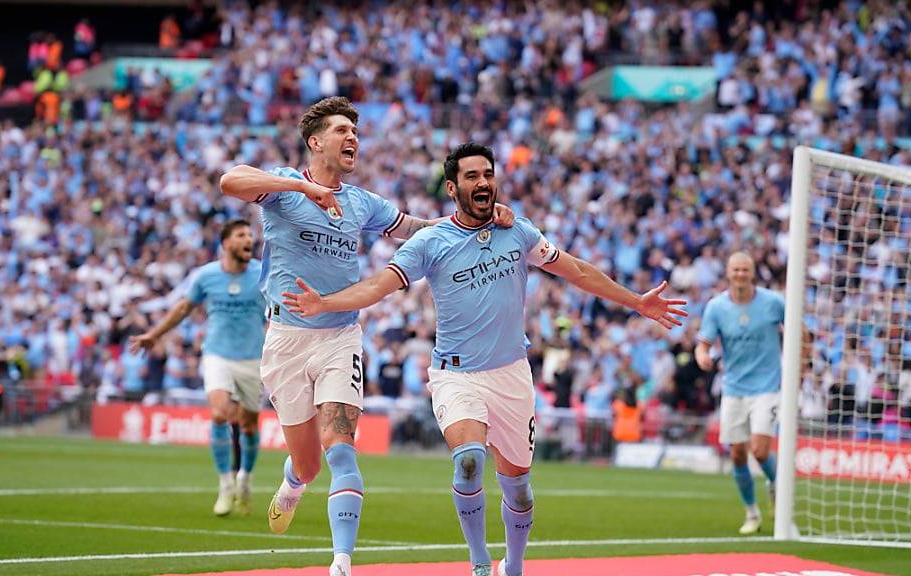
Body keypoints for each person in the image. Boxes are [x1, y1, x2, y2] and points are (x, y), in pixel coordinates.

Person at [281, 142, 687, 576]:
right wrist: (325, 303)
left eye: (488, 174)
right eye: (473, 176)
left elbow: (576, 270)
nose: (484, 182)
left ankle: (512, 565)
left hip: (512, 373)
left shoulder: (519, 230)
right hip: (456, 375)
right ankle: (478, 562)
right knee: (469, 461)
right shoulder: (430, 242)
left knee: (520, 490)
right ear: (453, 188)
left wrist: (635, 302)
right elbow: (379, 285)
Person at [219, 99, 513, 576]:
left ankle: (341, 563)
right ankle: (294, 482)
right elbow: (230, 181)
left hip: (339, 337)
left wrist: (479, 218)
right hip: (285, 339)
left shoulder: (362, 202)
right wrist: (299, 187)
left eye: (354, 130)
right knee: (310, 465)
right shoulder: (282, 188)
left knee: (342, 448)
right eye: (341, 130)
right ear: (316, 142)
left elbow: (413, 229)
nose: (352, 137)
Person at [129, 220, 265, 517]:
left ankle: (245, 479)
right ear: (226, 242)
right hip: (217, 355)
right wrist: (154, 334)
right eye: (242, 235)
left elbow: (280, 308)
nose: (249, 241)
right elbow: (182, 308)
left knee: (249, 425)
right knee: (218, 413)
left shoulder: (262, 272)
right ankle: (225, 484)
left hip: (253, 359)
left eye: (251, 237)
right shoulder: (206, 276)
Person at [695, 251, 786, 535]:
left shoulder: (773, 302)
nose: (740, 275)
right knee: (736, 455)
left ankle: (776, 486)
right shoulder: (716, 307)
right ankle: (751, 513)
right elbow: (704, 343)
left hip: (767, 386)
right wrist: (702, 356)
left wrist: (802, 361)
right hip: (734, 387)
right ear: (727, 272)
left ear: (753, 272)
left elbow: (800, 331)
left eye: (745, 270)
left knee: (759, 450)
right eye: (735, 270)